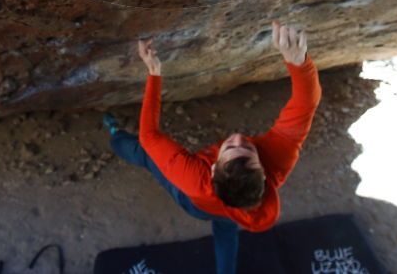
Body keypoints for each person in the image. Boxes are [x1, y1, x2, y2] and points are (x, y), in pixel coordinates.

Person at [102, 20, 323, 274]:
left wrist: (154, 72)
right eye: (249, 150)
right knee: (227, 228)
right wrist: (299, 63)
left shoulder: (193, 179)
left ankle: (115, 135)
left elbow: (149, 137)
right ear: (264, 174)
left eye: (230, 147)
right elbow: (306, 104)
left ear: (213, 167)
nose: (239, 137)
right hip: (233, 210)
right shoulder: (277, 162)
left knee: (145, 154)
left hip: (194, 204)